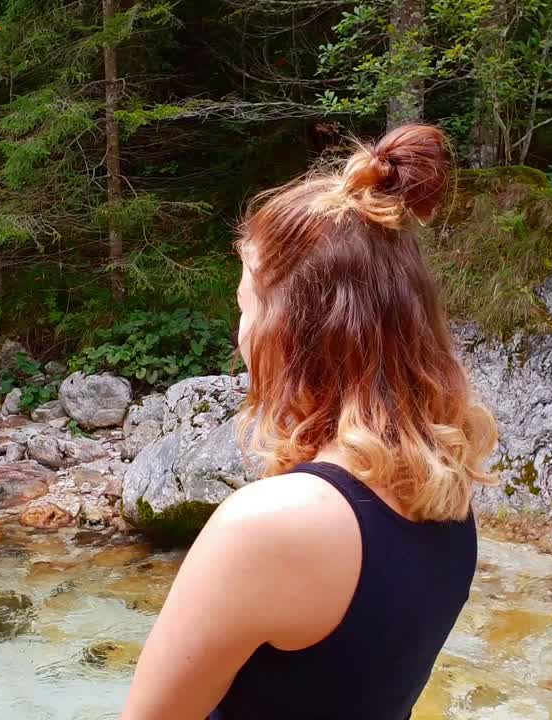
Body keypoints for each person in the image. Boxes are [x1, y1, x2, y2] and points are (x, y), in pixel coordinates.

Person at [120, 124, 499, 720]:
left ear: (291, 333)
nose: (240, 335)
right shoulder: (449, 498)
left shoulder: (273, 525)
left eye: (246, 309)